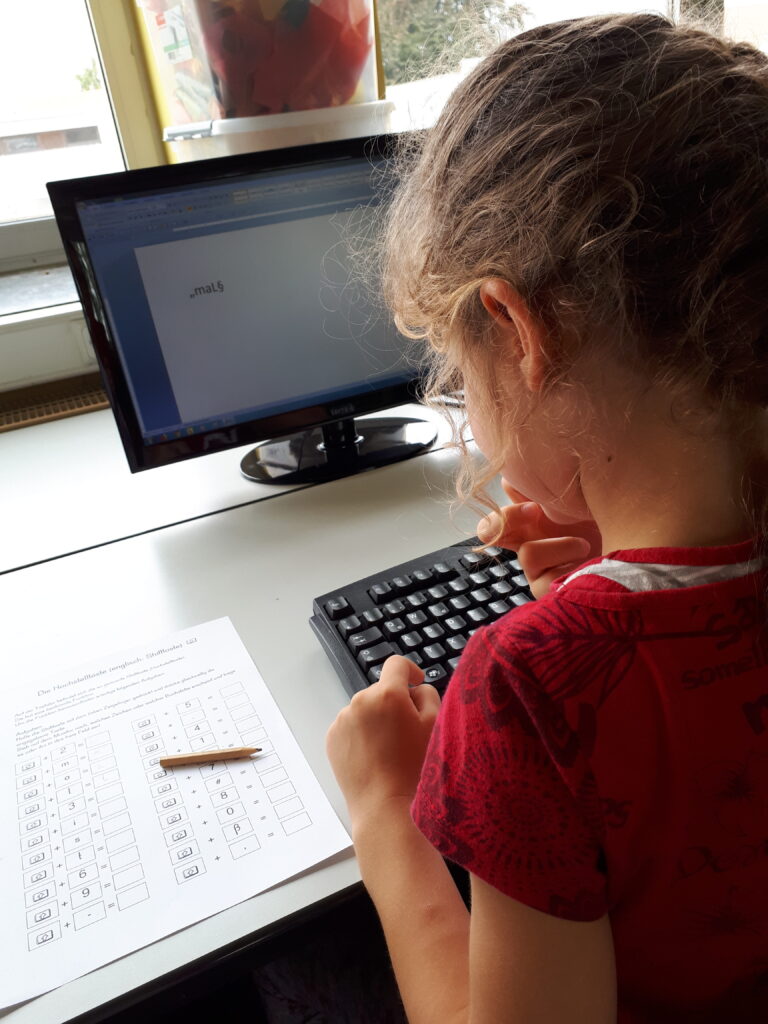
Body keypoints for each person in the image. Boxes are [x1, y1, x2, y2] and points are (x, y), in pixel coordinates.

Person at [326, 13, 768, 1023]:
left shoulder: (526, 690)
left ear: (517, 329)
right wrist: (600, 589)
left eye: (458, 373)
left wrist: (385, 814)